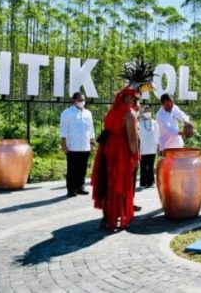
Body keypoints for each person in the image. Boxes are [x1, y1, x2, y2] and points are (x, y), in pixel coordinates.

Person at [91, 57, 154, 230]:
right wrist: (135, 156)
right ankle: (116, 216)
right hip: (121, 152)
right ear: (132, 99)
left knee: (108, 182)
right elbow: (132, 139)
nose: (137, 102)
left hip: (107, 151)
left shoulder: (112, 111)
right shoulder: (129, 114)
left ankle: (106, 217)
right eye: (137, 99)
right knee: (121, 183)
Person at [60, 92, 95, 197]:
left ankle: (80, 187)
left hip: (85, 146)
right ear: (73, 100)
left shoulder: (88, 113)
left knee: (82, 169)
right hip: (72, 147)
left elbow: (91, 129)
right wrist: (64, 145)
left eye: (83, 100)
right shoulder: (66, 113)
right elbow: (63, 130)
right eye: (79, 100)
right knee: (72, 170)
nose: (82, 102)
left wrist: (92, 143)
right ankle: (71, 190)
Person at [138, 106, 159, 188]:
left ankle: (151, 182)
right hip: (143, 148)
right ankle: (143, 182)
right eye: (145, 111)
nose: (147, 112)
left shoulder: (154, 122)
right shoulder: (139, 122)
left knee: (150, 165)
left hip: (152, 148)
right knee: (143, 165)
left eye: (148, 110)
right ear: (143, 112)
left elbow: (158, 134)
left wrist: (158, 145)